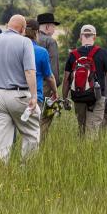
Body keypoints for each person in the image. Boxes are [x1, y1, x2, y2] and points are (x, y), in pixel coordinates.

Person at [0, 15, 38, 163]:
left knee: (0, 140)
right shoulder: (25, 42)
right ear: (23, 29)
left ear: (7, 25)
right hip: (19, 94)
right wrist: (34, 96)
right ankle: (27, 169)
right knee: (31, 133)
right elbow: (29, 71)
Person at [62, 24, 107, 138]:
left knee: (81, 128)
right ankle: (90, 154)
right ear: (94, 37)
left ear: (81, 37)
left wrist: (65, 98)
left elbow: (66, 79)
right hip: (97, 97)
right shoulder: (102, 53)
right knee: (92, 129)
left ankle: (80, 153)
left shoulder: (73, 55)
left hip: (78, 96)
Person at [25, 19, 58, 114]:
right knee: (34, 127)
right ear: (36, 32)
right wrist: (55, 91)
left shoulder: (14, 48)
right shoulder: (42, 51)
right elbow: (50, 76)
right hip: (36, 95)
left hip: (15, 95)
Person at [37, 12, 61, 140]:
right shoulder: (50, 41)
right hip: (46, 86)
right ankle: (38, 148)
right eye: (53, 26)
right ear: (47, 27)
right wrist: (55, 88)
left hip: (27, 85)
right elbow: (53, 68)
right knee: (45, 119)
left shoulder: (27, 40)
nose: (54, 29)